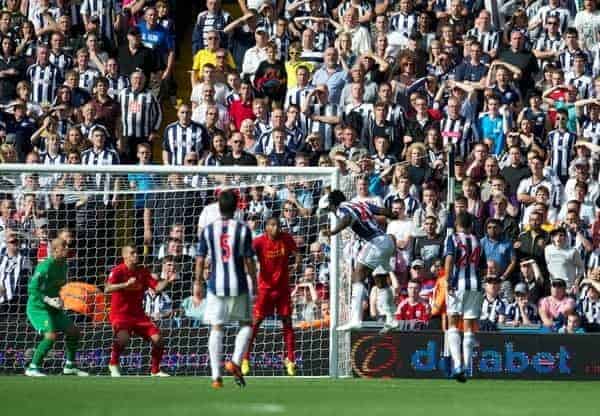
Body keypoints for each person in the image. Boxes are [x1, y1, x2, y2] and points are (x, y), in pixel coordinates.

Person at [195, 190, 256, 389]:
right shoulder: (243, 229)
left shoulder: (208, 230)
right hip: (238, 283)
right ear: (237, 207)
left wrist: (197, 282)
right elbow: (248, 259)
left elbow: (200, 258)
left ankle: (215, 377)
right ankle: (235, 361)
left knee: (217, 327)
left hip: (215, 285)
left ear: (218, 207)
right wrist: (254, 281)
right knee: (246, 324)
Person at [324, 189, 398, 329]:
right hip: (387, 241)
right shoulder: (361, 204)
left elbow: (346, 219)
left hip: (375, 242)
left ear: (333, 205)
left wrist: (332, 232)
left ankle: (355, 319)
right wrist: (393, 214)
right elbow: (383, 211)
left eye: (330, 209)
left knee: (357, 276)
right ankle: (391, 318)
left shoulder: (342, 208)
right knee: (380, 279)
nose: (332, 211)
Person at [105, 244, 176, 377]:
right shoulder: (118, 271)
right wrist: (125, 284)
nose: (136, 255)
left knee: (158, 339)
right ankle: (113, 363)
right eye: (132, 253)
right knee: (123, 338)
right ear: (124, 256)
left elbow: (157, 288)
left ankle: (155, 371)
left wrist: (167, 280)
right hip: (120, 314)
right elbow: (107, 288)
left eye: (136, 253)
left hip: (138, 315)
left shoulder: (142, 271)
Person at [242, 217, 301, 376]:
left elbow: (297, 254)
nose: (275, 228)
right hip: (265, 290)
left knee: (287, 322)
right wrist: (249, 269)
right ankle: (245, 358)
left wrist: (297, 263)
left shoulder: (287, 238)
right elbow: (246, 254)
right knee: (256, 323)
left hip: (283, 290)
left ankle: (290, 360)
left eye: (277, 225)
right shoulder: (259, 242)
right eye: (272, 225)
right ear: (266, 227)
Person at [25, 238, 87, 377]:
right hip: (38, 308)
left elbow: (58, 287)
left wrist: (60, 300)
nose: (67, 248)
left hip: (53, 307)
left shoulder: (64, 265)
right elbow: (32, 289)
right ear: (55, 250)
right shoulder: (44, 266)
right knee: (51, 335)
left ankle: (70, 366)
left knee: (74, 331)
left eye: (67, 245)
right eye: (63, 246)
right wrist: (48, 300)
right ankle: (32, 367)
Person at [444, 212, 483, 382]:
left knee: (453, 322)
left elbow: (450, 259)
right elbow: (481, 265)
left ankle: (458, 364)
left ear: (457, 224)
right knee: (468, 325)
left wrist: (447, 280)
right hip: (475, 285)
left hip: (457, 284)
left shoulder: (452, 238)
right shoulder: (477, 240)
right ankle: (467, 367)